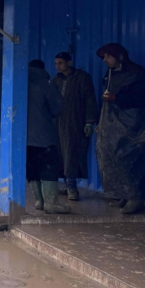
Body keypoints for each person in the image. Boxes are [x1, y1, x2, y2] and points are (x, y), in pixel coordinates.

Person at [95, 43, 145, 214]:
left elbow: (142, 98)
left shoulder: (137, 74)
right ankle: (122, 194)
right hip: (112, 126)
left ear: (119, 56)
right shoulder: (110, 74)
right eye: (103, 57)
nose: (105, 60)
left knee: (131, 159)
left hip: (133, 127)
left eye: (108, 56)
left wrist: (117, 98)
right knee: (111, 157)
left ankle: (136, 197)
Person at [52, 52, 98, 201]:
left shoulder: (83, 78)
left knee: (72, 152)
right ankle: (66, 184)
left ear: (69, 63)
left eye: (61, 63)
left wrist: (89, 122)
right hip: (58, 123)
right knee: (60, 153)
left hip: (75, 122)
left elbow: (90, 100)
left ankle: (72, 187)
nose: (58, 66)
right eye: (56, 63)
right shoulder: (55, 81)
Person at [26, 60, 69, 214]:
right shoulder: (47, 84)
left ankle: (39, 201)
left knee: (32, 168)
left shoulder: (19, 83)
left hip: (23, 137)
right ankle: (51, 202)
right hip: (43, 136)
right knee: (48, 167)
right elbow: (57, 108)